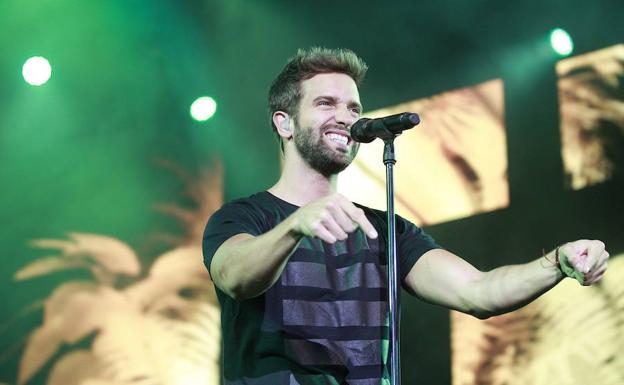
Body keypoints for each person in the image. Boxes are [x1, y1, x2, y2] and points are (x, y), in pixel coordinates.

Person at [202, 47, 610, 385]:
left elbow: (479, 292)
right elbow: (234, 276)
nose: (345, 116)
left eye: (353, 106)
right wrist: (296, 224)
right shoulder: (244, 217)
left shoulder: (384, 230)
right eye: (325, 103)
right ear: (285, 123)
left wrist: (557, 261)